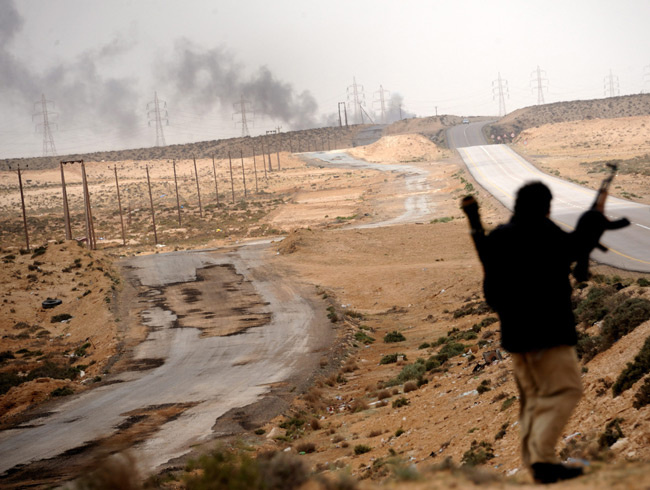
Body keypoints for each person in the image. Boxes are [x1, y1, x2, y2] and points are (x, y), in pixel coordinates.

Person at [465, 182, 615, 484]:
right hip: (549, 333)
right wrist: (594, 218)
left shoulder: (499, 237)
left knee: (532, 399)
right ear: (546, 207)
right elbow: (577, 246)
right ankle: (543, 461)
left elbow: (490, 277)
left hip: (516, 336)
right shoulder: (547, 234)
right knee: (567, 390)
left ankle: (536, 462)